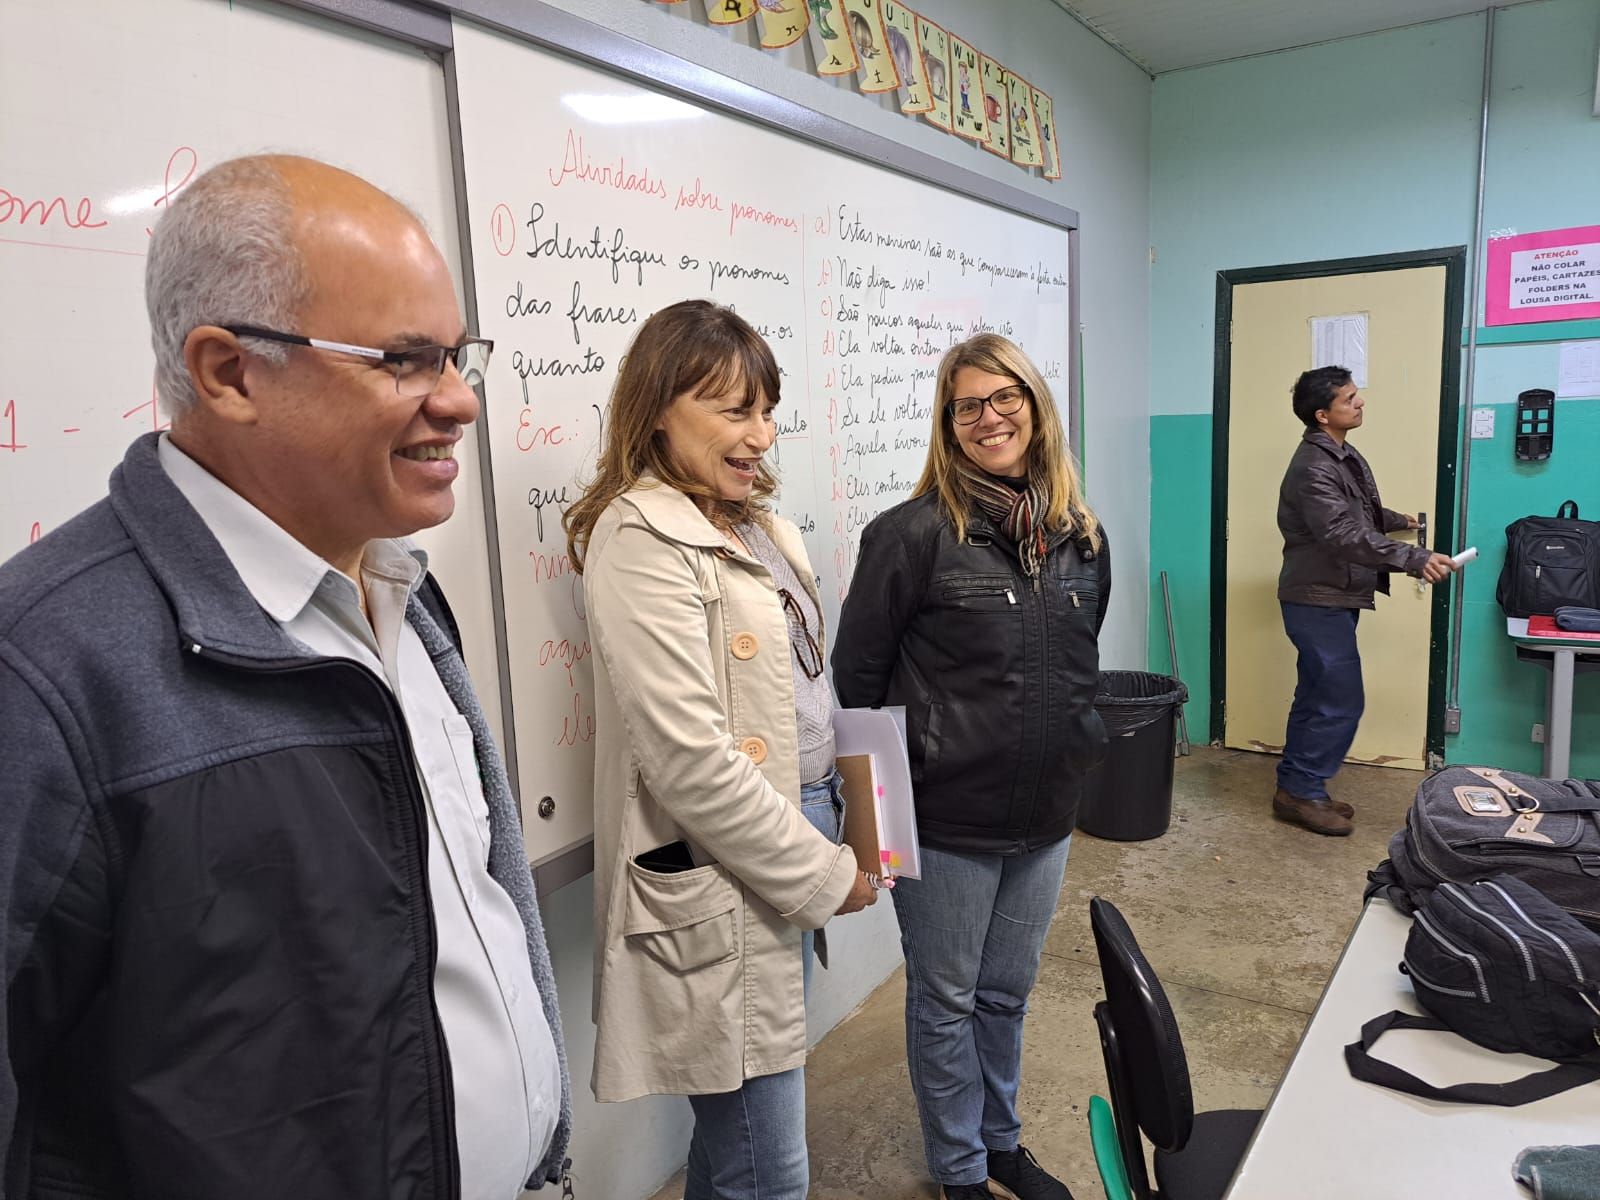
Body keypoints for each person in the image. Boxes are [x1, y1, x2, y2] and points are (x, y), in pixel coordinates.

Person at [0, 155, 571, 1198]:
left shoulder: (396, 586)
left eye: (456, 355)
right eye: (404, 360)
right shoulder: (47, 673)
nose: (459, 402)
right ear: (229, 373)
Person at [565, 299, 876, 1200]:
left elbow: (809, 691)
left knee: (736, 1149)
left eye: (766, 411)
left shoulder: (762, 528)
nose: (762, 437)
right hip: (736, 858)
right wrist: (822, 876)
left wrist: (856, 814)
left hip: (796, 828)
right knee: (768, 1173)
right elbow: (690, 762)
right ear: (660, 406)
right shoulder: (638, 536)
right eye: (736, 412)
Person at [833, 334, 1107, 1200]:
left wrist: (1082, 749)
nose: (989, 418)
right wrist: (874, 830)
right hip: (944, 817)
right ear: (947, 425)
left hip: (1045, 814)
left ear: (1035, 404)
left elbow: (1079, 667)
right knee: (946, 1001)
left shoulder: (1080, 538)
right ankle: (958, 1171)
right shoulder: (911, 536)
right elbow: (856, 685)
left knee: (1005, 997)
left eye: (1005, 398)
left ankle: (1000, 1146)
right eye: (967, 405)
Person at [1273, 366, 1455, 835]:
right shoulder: (1314, 465)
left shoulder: (1338, 454)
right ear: (1322, 414)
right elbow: (1339, 532)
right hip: (1317, 599)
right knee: (1339, 699)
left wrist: (1399, 521)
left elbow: (1355, 509)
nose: (1360, 403)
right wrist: (1412, 558)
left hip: (1331, 595)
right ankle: (1305, 791)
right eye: (1349, 399)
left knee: (1317, 694)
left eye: (1357, 396)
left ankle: (1297, 788)